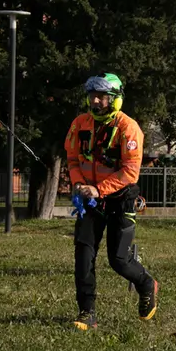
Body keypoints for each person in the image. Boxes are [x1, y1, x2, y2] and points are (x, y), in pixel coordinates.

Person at [65, 73, 158, 330]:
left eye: (101, 97)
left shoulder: (129, 128)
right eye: (92, 96)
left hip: (121, 199)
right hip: (89, 201)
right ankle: (87, 312)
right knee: (83, 256)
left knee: (119, 260)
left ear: (115, 100)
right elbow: (73, 159)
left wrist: (99, 189)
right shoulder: (79, 124)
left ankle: (146, 284)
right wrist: (77, 184)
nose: (95, 102)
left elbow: (130, 171)